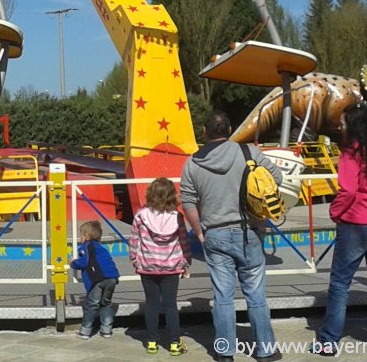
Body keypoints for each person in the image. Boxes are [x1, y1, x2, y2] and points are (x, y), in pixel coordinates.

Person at [180, 111, 284, 362]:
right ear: (229, 130)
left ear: (205, 132)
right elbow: (276, 179)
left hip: (215, 234)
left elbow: (188, 203)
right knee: (256, 294)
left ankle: (225, 351)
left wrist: (199, 232)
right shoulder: (248, 153)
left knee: (223, 297)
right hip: (250, 231)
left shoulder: (193, 163)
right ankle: (265, 350)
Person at [315, 103, 367, 357]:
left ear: (353, 126)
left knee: (340, 284)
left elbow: (349, 190)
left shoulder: (351, 154)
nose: (339, 126)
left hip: (355, 225)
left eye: (343, 122)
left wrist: (335, 212)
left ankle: (329, 341)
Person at [130, 176, 192, 356]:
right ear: (172, 196)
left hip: (147, 266)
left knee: (151, 304)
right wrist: (186, 262)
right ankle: (174, 343)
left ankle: (151, 341)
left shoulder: (141, 215)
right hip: (171, 267)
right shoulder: (177, 217)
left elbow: (134, 240)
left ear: (150, 194)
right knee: (170, 305)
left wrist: (135, 259)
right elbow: (184, 241)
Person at [69, 220, 120, 338]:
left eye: (80, 235)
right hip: (112, 277)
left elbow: (84, 262)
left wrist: (73, 262)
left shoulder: (86, 246)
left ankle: (85, 331)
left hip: (98, 279)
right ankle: (106, 330)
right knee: (106, 303)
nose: (80, 237)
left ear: (86, 236)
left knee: (92, 304)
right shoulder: (102, 249)